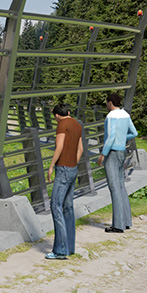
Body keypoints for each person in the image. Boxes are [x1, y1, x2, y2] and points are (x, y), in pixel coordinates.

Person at [46, 104, 83, 260]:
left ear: (56, 115)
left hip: (63, 169)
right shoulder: (76, 124)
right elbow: (80, 149)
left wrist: (51, 165)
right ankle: (69, 246)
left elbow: (59, 146)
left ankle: (60, 250)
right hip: (73, 168)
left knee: (55, 205)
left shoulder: (62, 124)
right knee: (68, 207)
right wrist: (73, 163)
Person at [97, 93, 138, 233]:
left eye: (106, 103)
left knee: (114, 188)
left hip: (112, 153)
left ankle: (117, 225)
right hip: (122, 152)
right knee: (121, 187)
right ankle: (126, 221)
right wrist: (123, 138)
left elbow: (111, 136)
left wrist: (103, 154)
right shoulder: (125, 114)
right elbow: (134, 133)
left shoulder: (111, 116)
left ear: (110, 103)